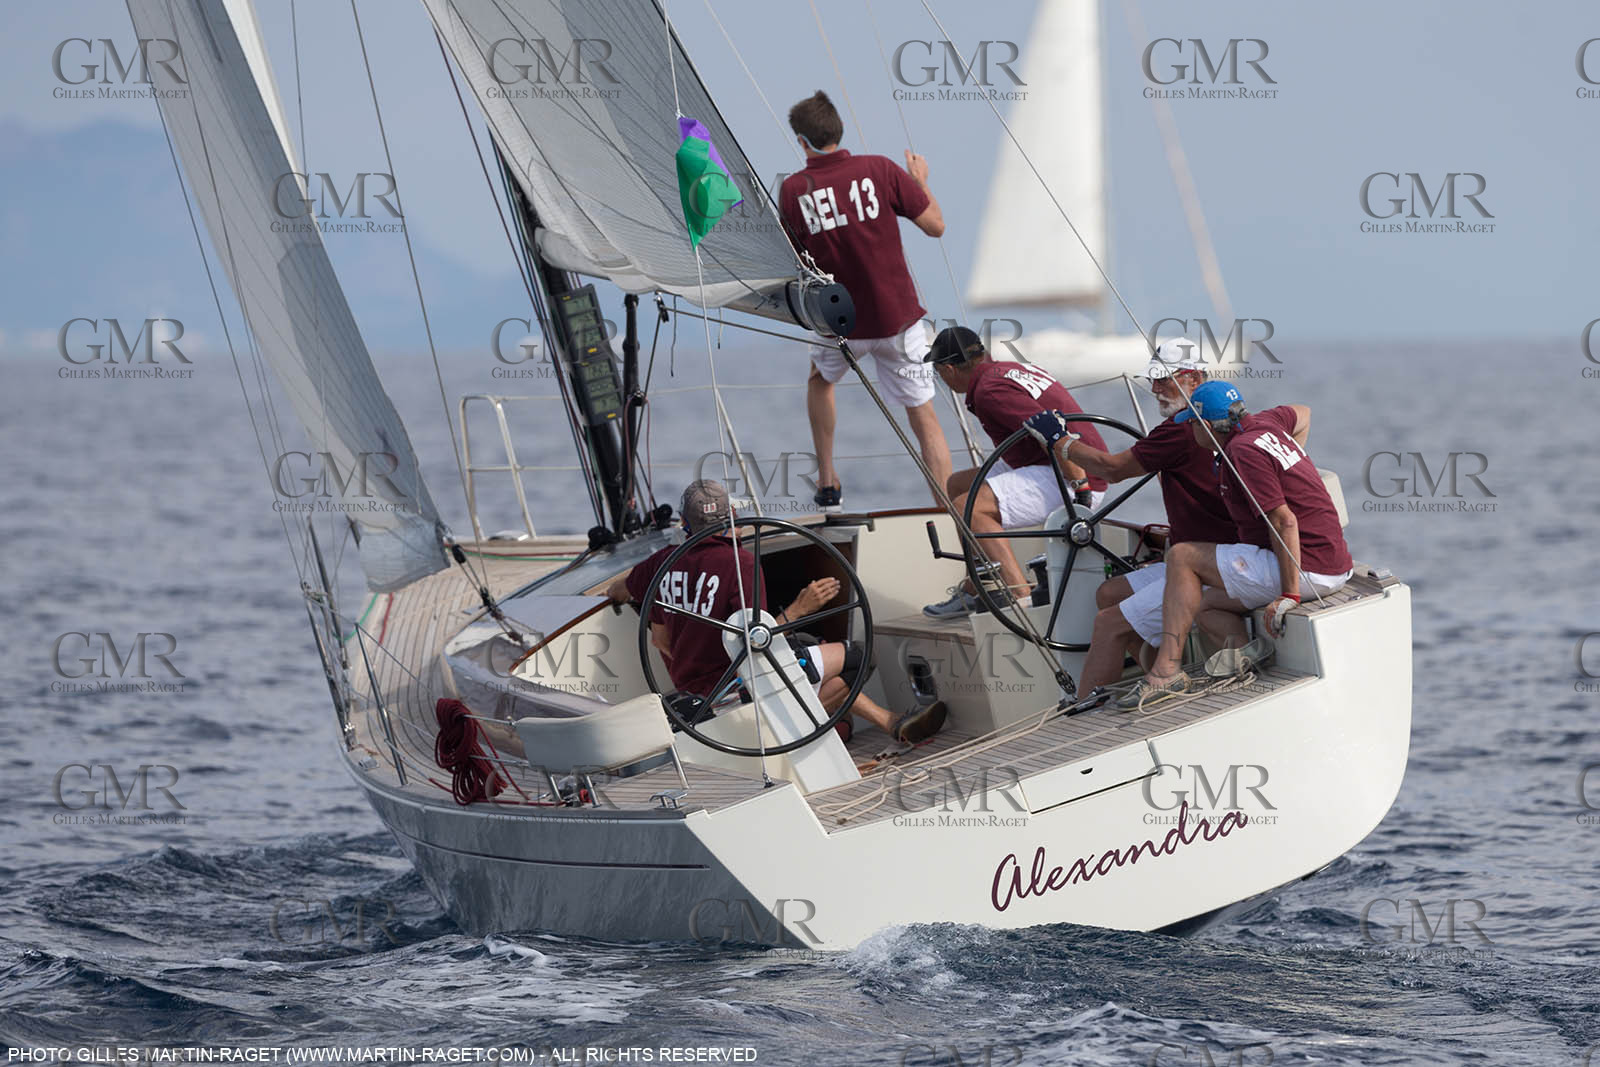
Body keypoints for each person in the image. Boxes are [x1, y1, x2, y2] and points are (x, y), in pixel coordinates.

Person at [607, 480, 947, 744]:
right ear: (732, 519)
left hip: (693, 692)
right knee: (856, 657)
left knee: (805, 645)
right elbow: (756, 643)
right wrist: (802, 606)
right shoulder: (740, 562)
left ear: (684, 524)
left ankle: (886, 722)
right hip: (736, 685)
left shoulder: (659, 563)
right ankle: (812, 729)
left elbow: (627, 602)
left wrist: (654, 608)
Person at [1116, 383, 1354, 709]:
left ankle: (1165, 672)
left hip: (1308, 569)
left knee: (1182, 556)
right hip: (1335, 564)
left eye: (1192, 423)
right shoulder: (1266, 423)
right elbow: (1303, 413)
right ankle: (1246, 659)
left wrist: (1289, 595)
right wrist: (1288, 466)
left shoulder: (1243, 451)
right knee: (1203, 606)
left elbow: (1285, 521)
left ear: (1209, 427)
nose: (1189, 428)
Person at [1022, 341, 1237, 690]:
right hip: (1206, 552)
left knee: (1109, 622)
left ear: (1194, 378)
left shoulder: (1180, 432)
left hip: (1211, 564)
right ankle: (1167, 676)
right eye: (1152, 379)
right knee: (1110, 594)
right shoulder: (1218, 420)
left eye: (1164, 379)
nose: (1154, 389)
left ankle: (1087, 709)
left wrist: (1059, 441)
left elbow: (1112, 470)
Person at [777, 90, 952, 512]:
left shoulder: (794, 190)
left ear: (803, 142)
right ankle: (952, 510)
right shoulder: (881, 169)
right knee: (923, 415)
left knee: (820, 381)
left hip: (839, 324)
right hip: (899, 322)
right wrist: (920, 182)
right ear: (839, 131)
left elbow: (793, 259)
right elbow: (937, 227)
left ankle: (828, 479)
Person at [920, 326, 1110, 618]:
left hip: (1073, 473)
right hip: (1056, 463)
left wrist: (1081, 488)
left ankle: (1020, 598)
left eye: (938, 371)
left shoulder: (989, 391)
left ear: (948, 369)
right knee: (958, 484)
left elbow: (1051, 431)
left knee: (968, 509)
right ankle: (978, 586)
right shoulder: (1006, 370)